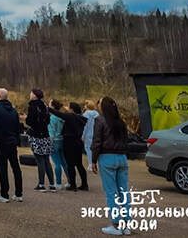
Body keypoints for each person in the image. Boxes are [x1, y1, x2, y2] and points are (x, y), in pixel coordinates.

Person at [90, 96, 130, 236]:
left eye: (99, 102)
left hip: (107, 157)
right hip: (122, 157)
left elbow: (97, 141)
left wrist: (93, 160)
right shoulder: (121, 122)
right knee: (123, 192)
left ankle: (115, 224)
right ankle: (126, 224)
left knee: (111, 193)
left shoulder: (100, 120)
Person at [0, 88, 23, 203]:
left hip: (1, 143)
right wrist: (17, 140)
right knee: (15, 167)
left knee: (2, 168)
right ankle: (19, 193)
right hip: (12, 141)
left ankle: (4, 193)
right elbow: (18, 127)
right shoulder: (13, 111)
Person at [49, 101, 88, 191]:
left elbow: (59, 114)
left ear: (72, 110)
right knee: (79, 164)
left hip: (69, 141)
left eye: (69, 108)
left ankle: (73, 184)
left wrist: (48, 108)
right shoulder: (81, 118)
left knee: (70, 164)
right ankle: (84, 184)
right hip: (78, 141)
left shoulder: (70, 117)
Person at [25, 89, 54, 192]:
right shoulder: (45, 107)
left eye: (31, 93)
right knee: (46, 160)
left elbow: (30, 121)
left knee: (39, 160)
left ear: (35, 96)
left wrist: (26, 118)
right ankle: (52, 184)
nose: (30, 94)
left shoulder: (32, 107)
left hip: (36, 135)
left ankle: (41, 184)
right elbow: (47, 121)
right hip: (45, 135)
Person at [48, 99, 70, 190]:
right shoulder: (62, 117)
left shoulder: (52, 118)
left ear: (52, 107)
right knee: (64, 162)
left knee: (56, 163)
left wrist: (50, 142)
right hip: (62, 140)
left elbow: (52, 132)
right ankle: (69, 180)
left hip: (55, 140)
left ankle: (58, 182)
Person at [83, 100, 100, 167]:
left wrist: (83, 136)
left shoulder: (85, 115)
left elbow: (85, 127)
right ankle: (96, 163)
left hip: (88, 134)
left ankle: (90, 164)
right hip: (96, 134)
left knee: (88, 149)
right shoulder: (97, 114)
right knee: (96, 149)